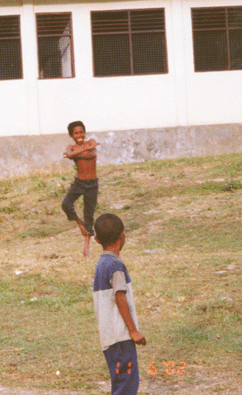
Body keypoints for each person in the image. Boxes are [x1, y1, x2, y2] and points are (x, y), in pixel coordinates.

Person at [93, 213, 147, 395]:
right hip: (121, 338)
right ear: (122, 235)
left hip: (109, 337)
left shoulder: (102, 264)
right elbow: (120, 296)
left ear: (96, 239)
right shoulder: (115, 266)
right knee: (126, 387)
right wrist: (133, 330)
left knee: (121, 384)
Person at [62, 121, 100, 257]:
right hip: (79, 183)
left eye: (81, 132)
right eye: (76, 133)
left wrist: (75, 154)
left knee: (89, 215)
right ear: (71, 135)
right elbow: (71, 153)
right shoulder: (71, 147)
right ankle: (79, 223)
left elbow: (90, 154)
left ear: (85, 132)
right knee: (66, 204)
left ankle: (86, 248)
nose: (79, 135)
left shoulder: (91, 141)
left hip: (92, 184)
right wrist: (83, 151)